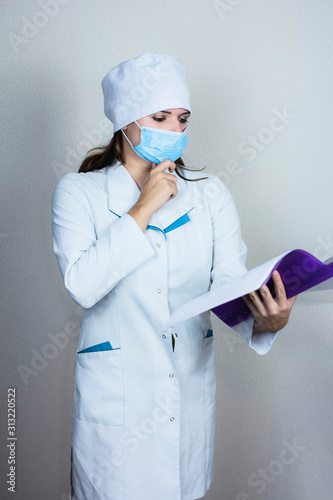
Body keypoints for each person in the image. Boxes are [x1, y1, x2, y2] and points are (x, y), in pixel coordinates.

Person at [52, 53, 296, 500]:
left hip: (186, 404)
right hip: (117, 409)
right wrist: (144, 206)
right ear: (125, 121)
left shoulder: (210, 195)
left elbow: (228, 287)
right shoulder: (79, 193)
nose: (174, 131)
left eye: (182, 119)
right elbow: (82, 286)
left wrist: (268, 320)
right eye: (159, 117)